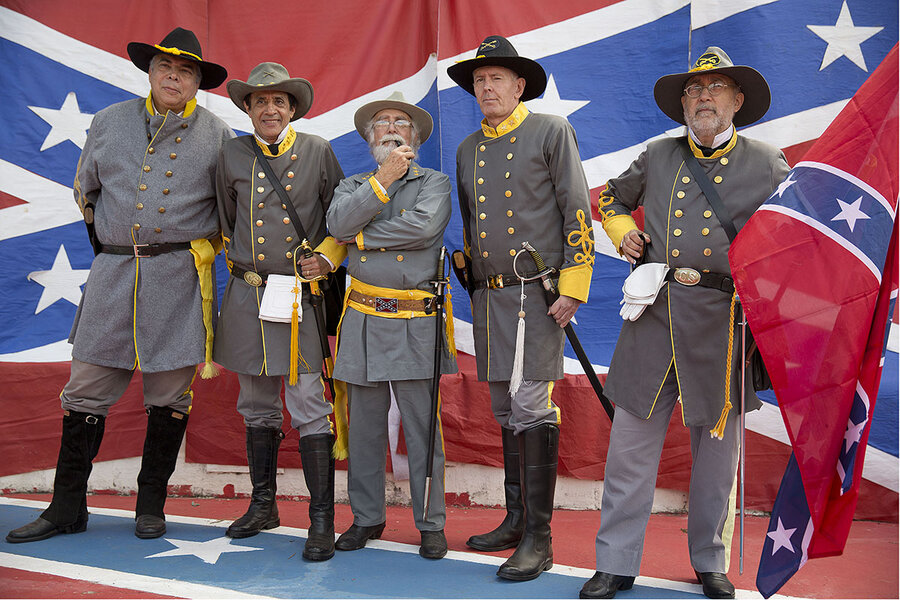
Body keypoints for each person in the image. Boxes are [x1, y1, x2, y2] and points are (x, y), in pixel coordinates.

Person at [5, 28, 233, 543]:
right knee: (84, 392)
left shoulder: (218, 136)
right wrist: (116, 254)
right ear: (149, 73)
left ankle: (150, 507)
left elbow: (227, 214)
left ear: (199, 81)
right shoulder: (108, 123)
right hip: (112, 275)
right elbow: (86, 192)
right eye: (165, 68)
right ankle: (66, 508)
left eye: (187, 70)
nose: (174, 76)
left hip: (178, 282)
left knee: (169, 396)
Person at [579, 47, 790, 599]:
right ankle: (615, 563)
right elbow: (610, 199)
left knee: (716, 464)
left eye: (715, 88)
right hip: (654, 321)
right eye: (694, 90)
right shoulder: (658, 153)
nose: (703, 97)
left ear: (737, 100)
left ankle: (708, 561)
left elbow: (793, 237)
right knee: (628, 454)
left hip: (724, 330)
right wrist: (623, 230)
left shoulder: (769, 162)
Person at [448, 36, 594, 580]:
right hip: (490, 296)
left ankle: (540, 538)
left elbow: (576, 207)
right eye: (479, 81)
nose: (487, 87)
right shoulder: (467, 148)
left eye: (497, 79)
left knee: (532, 403)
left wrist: (574, 283)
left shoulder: (551, 131)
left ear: (519, 85)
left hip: (538, 295)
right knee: (504, 409)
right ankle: (515, 518)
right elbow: (469, 218)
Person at [213, 62, 346, 561]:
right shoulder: (230, 154)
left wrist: (326, 258)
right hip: (249, 295)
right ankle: (263, 505)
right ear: (248, 109)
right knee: (256, 403)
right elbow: (227, 218)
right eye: (260, 101)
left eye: (279, 102)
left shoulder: (317, 152)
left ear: (292, 109)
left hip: (298, 296)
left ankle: (320, 520)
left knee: (309, 401)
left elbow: (339, 219)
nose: (270, 109)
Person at [326, 91, 457, 560]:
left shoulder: (435, 182)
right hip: (361, 317)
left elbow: (423, 228)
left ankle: (430, 521)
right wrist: (381, 184)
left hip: (414, 321)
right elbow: (337, 219)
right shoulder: (354, 184)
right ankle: (366, 518)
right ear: (369, 138)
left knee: (422, 429)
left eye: (402, 122)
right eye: (382, 123)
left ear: (416, 138)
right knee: (361, 427)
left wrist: (359, 236)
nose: (392, 128)